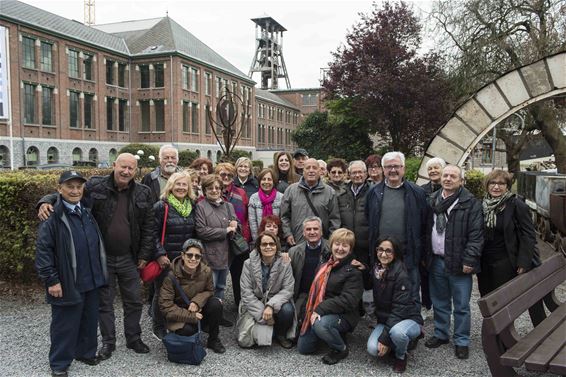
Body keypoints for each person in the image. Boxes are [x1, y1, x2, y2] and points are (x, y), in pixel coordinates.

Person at [38, 153, 154, 360]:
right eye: (123, 167)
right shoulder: (96, 185)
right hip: (101, 259)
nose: (126, 172)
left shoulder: (143, 192)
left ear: (136, 171)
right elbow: (70, 194)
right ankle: (108, 343)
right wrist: (44, 201)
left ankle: (133, 338)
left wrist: (144, 254)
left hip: (130, 257)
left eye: (131, 168)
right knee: (104, 303)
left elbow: (148, 227)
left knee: (134, 300)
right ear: (114, 165)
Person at [36, 171, 107, 377]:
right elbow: (43, 251)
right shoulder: (51, 216)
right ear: (59, 189)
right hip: (67, 280)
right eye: (70, 187)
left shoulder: (85, 210)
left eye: (78, 187)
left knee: (89, 318)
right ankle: (59, 364)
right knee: (64, 324)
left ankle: (85, 353)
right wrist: (51, 280)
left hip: (91, 277)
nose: (75, 191)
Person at [425, 165, 483, 360]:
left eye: (453, 176)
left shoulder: (470, 203)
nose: (448, 178)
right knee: (440, 302)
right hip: (436, 261)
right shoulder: (432, 200)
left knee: (461, 305)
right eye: (445, 175)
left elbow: (476, 235)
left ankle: (461, 341)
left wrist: (470, 259)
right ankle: (441, 334)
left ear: (461, 181)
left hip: (460, 263)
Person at [477, 169, 545, 325]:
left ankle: (506, 337)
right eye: (493, 183)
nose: (496, 187)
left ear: (507, 186)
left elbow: (529, 235)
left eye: (501, 183)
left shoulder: (516, 205)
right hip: (485, 262)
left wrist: (524, 262)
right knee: (488, 300)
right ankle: (494, 336)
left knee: (503, 302)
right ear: (487, 185)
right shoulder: (481, 205)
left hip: (507, 260)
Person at [366, 152, 428, 305]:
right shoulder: (373, 193)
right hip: (382, 254)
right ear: (383, 169)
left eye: (396, 166)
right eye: (388, 167)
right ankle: (385, 324)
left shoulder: (417, 193)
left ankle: (413, 324)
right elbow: (369, 218)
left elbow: (424, 223)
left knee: (411, 293)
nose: (392, 170)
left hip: (408, 253)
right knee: (382, 291)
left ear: (403, 168)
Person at [297, 228, 363, 365]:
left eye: (345, 245)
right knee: (304, 348)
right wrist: (306, 312)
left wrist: (319, 309)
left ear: (350, 249)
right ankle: (328, 333)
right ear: (331, 245)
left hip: (344, 314)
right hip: (321, 309)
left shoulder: (354, 271)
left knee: (321, 324)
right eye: (337, 244)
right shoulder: (324, 265)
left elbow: (348, 301)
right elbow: (313, 291)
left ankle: (340, 348)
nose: (340, 248)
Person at [367, 237, 424, 373]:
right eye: (380, 249)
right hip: (386, 319)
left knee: (397, 333)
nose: (384, 254)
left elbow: (400, 310)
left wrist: (385, 339)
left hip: (408, 318)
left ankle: (401, 355)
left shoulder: (401, 274)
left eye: (389, 251)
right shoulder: (376, 270)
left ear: (395, 253)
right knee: (373, 349)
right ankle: (398, 343)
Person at [159, 239, 226, 354]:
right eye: (190, 255)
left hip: (198, 309)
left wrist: (197, 302)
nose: (193, 259)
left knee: (216, 304)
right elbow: (166, 307)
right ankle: (189, 337)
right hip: (180, 314)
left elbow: (210, 291)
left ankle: (213, 340)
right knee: (188, 331)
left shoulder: (206, 271)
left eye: (197, 256)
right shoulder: (170, 276)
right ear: (182, 255)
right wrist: (192, 316)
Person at [151, 171, 196, 340]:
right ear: (171, 186)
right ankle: (158, 325)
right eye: (178, 184)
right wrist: (160, 254)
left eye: (184, 184)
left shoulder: (192, 205)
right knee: (162, 292)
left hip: (185, 260)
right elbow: (152, 234)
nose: (181, 187)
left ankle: (174, 322)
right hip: (166, 258)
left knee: (179, 292)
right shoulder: (162, 206)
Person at [237, 232, 296, 349]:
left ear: (276, 246)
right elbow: (246, 293)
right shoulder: (248, 264)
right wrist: (264, 316)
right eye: (264, 244)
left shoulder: (285, 263)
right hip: (255, 303)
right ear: (259, 247)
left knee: (288, 310)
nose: (268, 247)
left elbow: (288, 289)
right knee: (255, 341)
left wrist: (270, 306)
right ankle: (271, 327)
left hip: (275, 302)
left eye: (271, 244)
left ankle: (281, 334)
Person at [195, 174, 237, 309]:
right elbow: (201, 231)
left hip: (225, 254)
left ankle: (217, 314)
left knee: (221, 287)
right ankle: (207, 316)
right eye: (210, 188)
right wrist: (225, 231)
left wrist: (236, 225)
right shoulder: (201, 207)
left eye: (217, 188)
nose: (214, 190)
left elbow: (235, 225)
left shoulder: (229, 206)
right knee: (208, 288)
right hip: (208, 255)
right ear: (205, 190)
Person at [281, 158, 340, 246]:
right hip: (297, 242)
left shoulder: (329, 192)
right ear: (303, 171)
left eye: (314, 168)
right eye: (308, 168)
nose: (311, 171)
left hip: (322, 245)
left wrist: (331, 240)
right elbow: (284, 216)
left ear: (320, 171)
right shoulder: (291, 191)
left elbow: (335, 219)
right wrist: (288, 234)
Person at [215, 162, 251, 307]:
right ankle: (216, 311)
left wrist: (245, 237)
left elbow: (247, 217)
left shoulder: (240, 193)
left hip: (237, 241)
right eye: (222, 174)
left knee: (239, 277)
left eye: (229, 175)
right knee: (218, 279)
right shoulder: (213, 191)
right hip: (218, 242)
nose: (226, 177)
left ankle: (239, 306)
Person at [419, 157, 446, 316]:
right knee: (425, 275)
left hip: (444, 238)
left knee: (443, 278)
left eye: (436, 168)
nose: (433, 171)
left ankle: (441, 308)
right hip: (427, 237)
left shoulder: (450, 189)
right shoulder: (422, 190)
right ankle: (426, 304)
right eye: (430, 169)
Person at [288, 217, 331, 314]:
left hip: (324, 295)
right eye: (308, 229)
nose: (312, 232)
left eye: (315, 229)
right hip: (302, 295)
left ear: (322, 232)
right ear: (303, 233)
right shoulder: (293, 252)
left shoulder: (332, 249)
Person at [248, 168, 284, 241]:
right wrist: (258, 241)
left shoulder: (281, 197)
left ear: (274, 182)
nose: (266, 182)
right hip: (259, 238)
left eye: (269, 179)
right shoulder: (254, 198)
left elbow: (283, 220)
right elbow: (253, 223)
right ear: (260, 181)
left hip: (278, 239)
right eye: (263, 179)